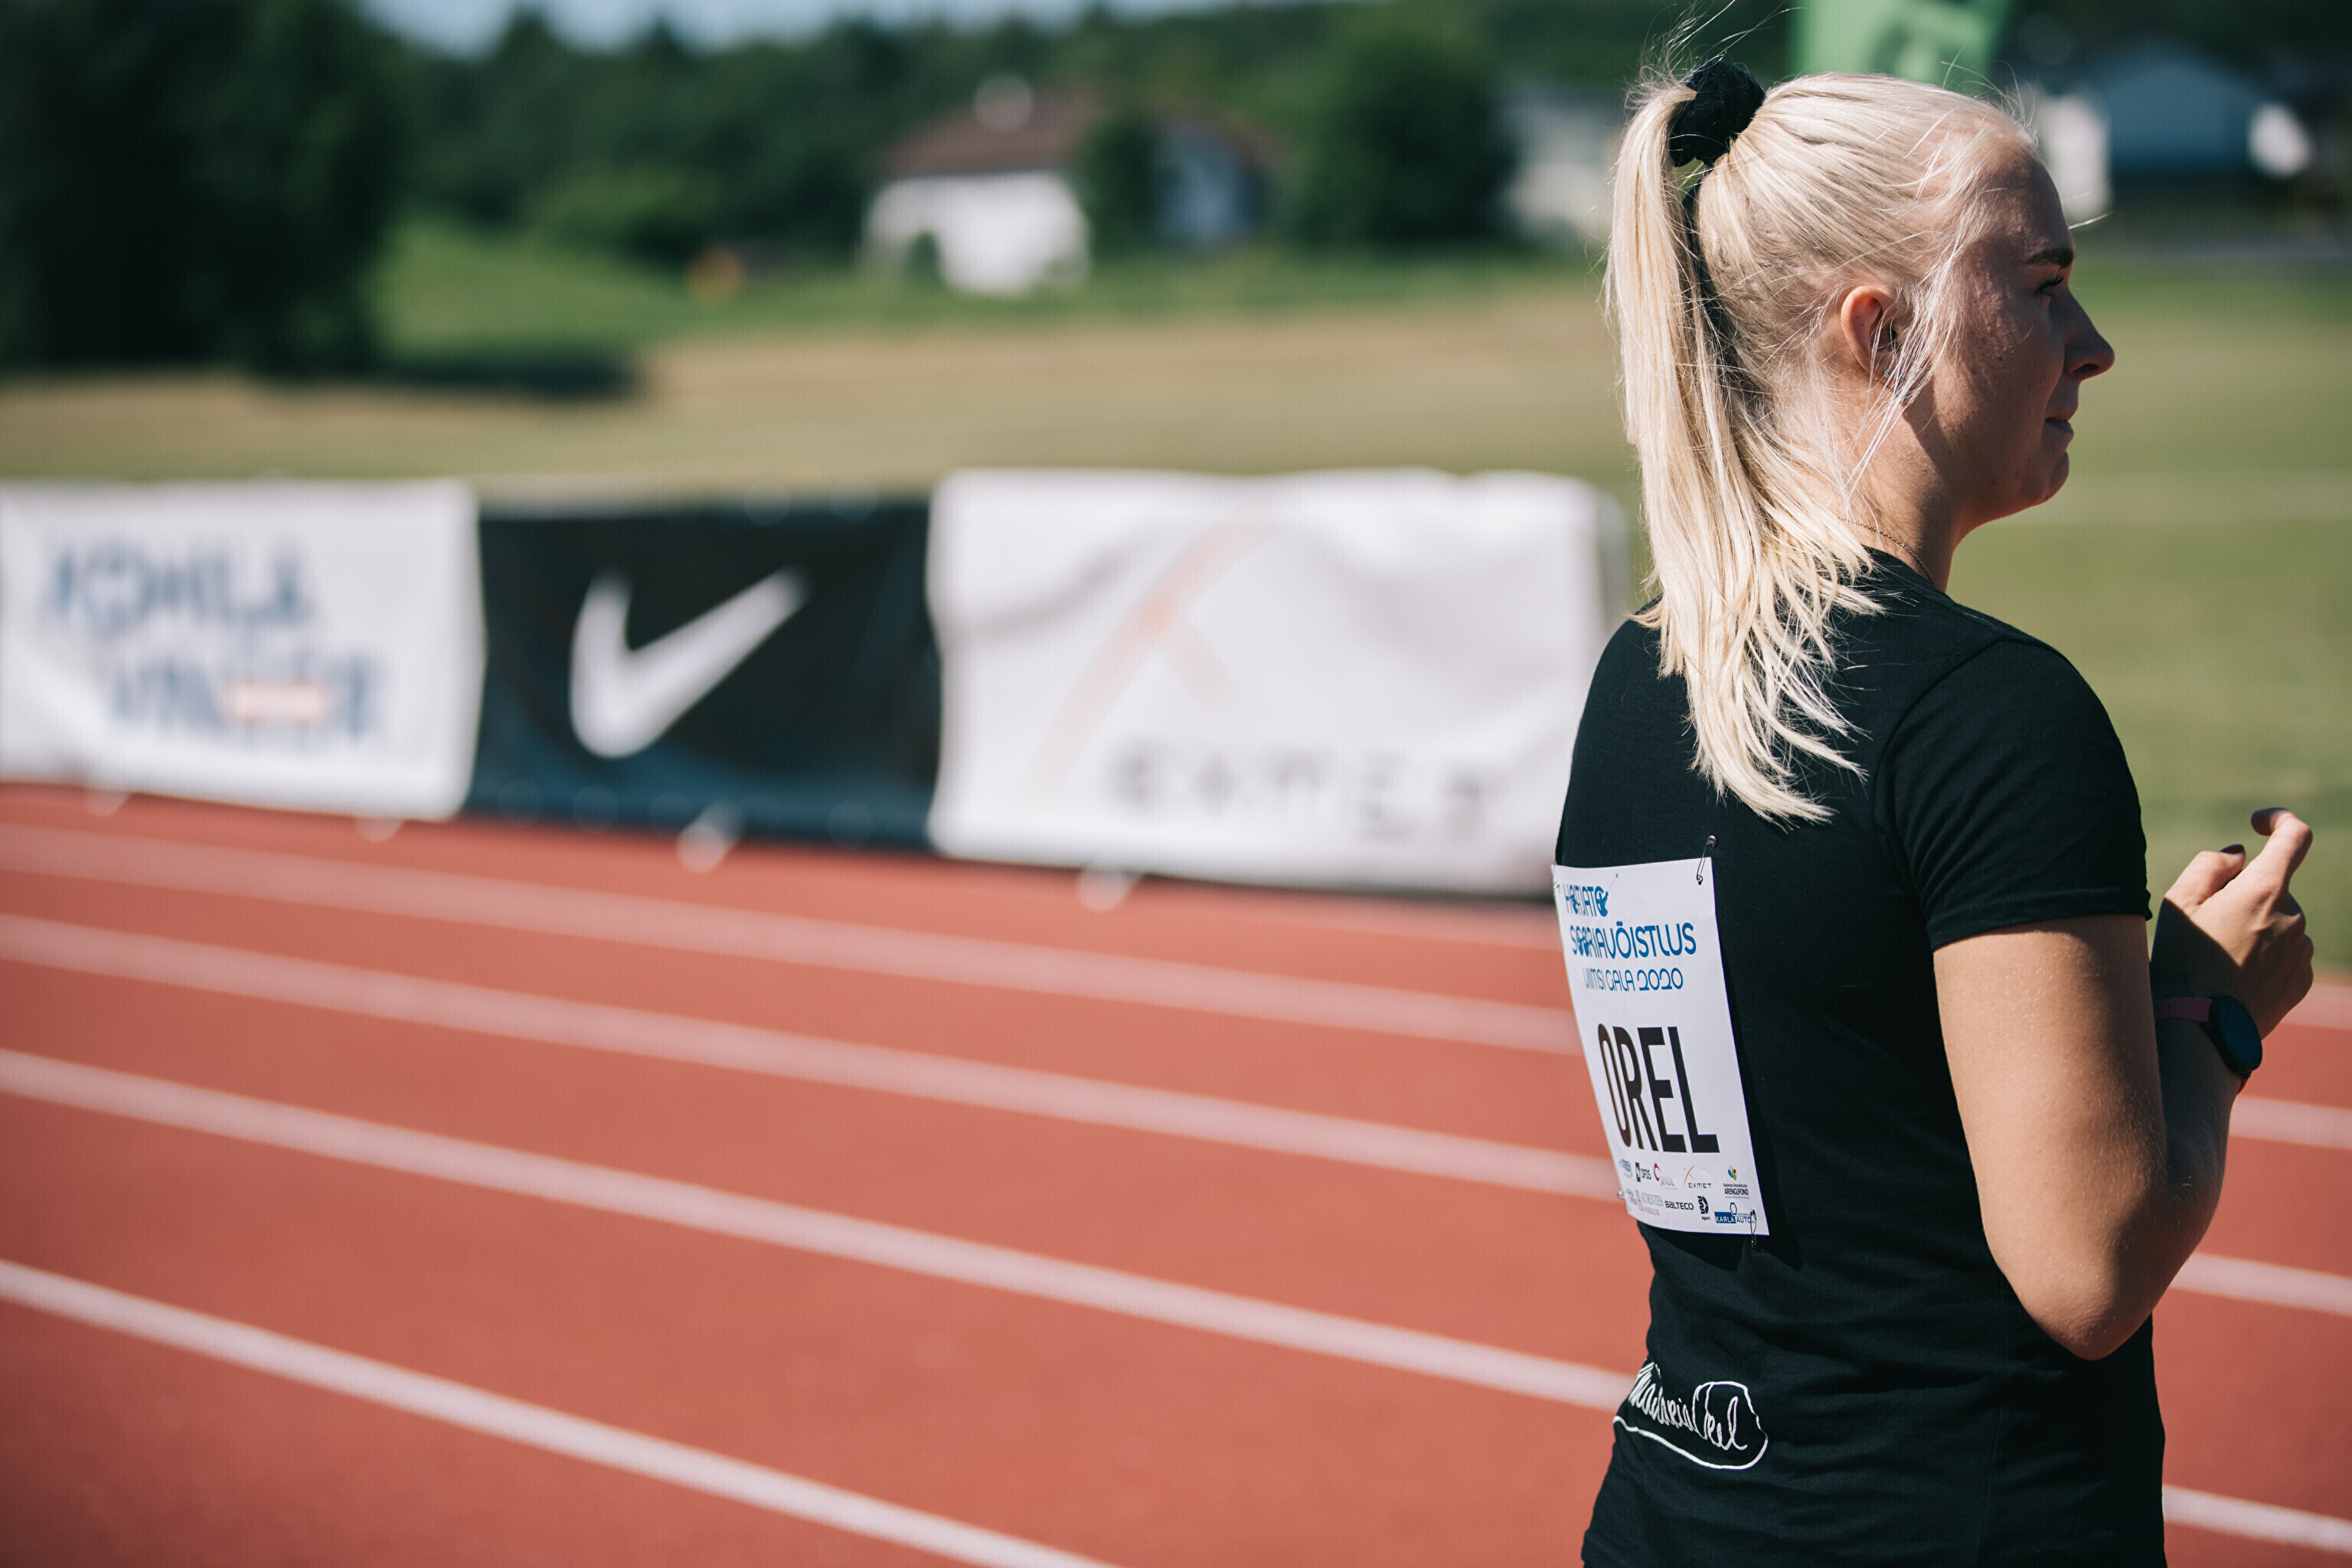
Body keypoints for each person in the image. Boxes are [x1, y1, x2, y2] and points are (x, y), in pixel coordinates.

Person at [1555, 60, 2317, 1565]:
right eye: (2041, 287)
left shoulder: (1637, 681)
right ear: (1880, 328)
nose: (2092, 345)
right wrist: (2211, 1015)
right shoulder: (1991, 715)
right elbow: (2087, 1270)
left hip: (1672, 1519)